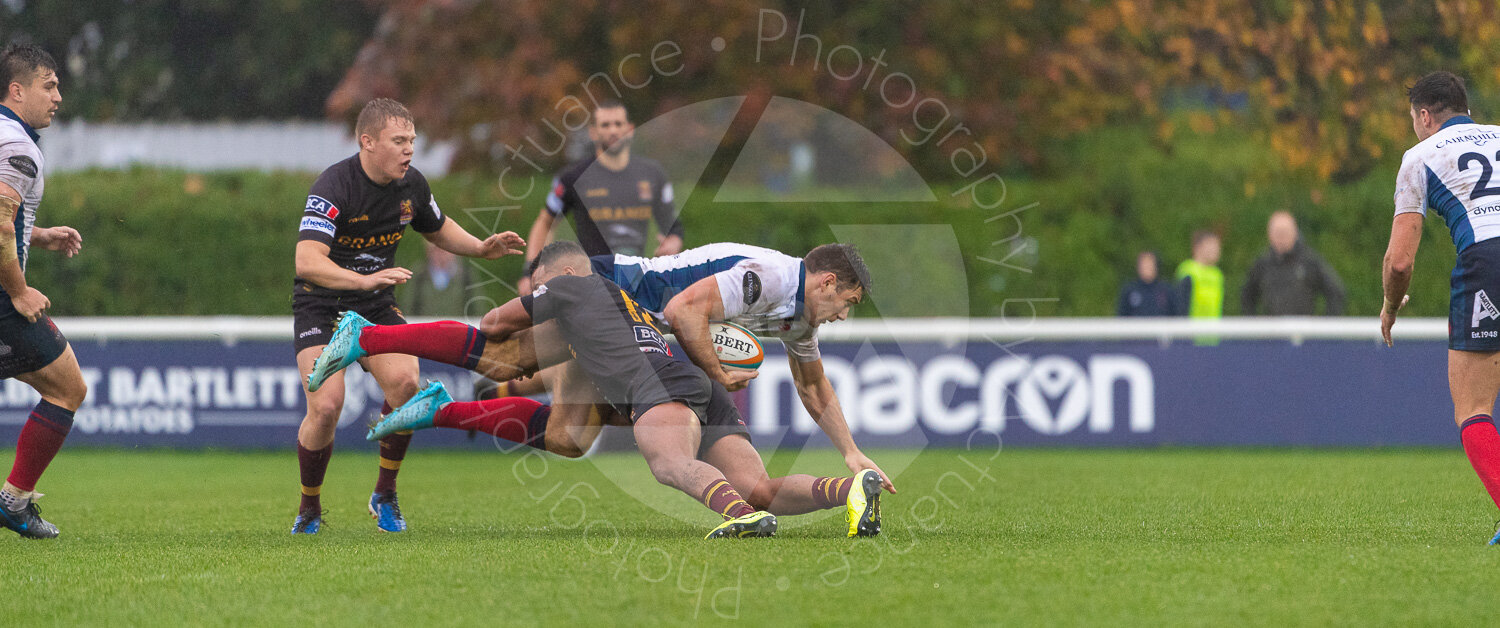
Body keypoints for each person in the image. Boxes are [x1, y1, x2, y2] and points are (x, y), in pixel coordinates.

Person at [325, 241, 884, 539]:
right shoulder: (769, 275)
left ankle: (440, 404)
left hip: (651, 351)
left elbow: (813, 386)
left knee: (570, 434)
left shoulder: (800, 316)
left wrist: (851, 452)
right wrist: (715, 373)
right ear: (828, 281)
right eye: (846, 304)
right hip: (613, 290)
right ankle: (374, 341)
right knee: (505, 356)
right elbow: (681, 311)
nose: (841, 316)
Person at [291, 98, 524, 534]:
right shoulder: (334, 186)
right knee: (326, 407)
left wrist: (480, 247)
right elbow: (306, 261)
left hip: (375, 306)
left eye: (412, 141)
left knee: (406, 385)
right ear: (368, 142)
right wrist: (361, 280)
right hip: (321, 305)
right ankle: (309, 507)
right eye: (399, 141)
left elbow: (438, 225)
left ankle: (384, 494)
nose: (409, 150)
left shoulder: (411, 184)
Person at [1381, 70, 1500, 544]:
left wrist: (1390, 305)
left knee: (1472, 408)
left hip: (1486, 260)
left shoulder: (1420, 156)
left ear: (1425, 116)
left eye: (1414, 118)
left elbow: (1400, 260)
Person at [0, 44, 85, 539]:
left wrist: (39, 232)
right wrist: (19, 290)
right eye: (48, 86)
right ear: (18, 90)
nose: (58, 96)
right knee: (68, 388)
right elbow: (0, 227)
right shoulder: (17, 147)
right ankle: (13, 501)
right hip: (1, 297)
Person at [517, 99, 682, 294]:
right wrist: (530, 272)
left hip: (641, 281)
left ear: (630, 129)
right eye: (605, 125)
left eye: (618, 124)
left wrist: (672, 243)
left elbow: (673, 228)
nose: (613, 130)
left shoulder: (653, 174)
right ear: (593, 131)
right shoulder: (573, 177)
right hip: (589, 283)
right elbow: (545, 222)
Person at [1241, 211, 1346, 316]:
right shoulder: (1262, 264)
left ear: (1294, 232)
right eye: (1277, 232)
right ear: (1269, 234)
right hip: (1272, 331)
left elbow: (1335, 292)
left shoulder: (1309, 261)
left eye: (1284, 232)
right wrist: (1255, 325)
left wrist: (1324, 326)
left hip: (1302, 330)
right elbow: (1247, 295)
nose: (1280, 237)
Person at [403, 241, 475, 316]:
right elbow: (408, 304)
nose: (442, 254)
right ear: (429, 252)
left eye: (446, 250)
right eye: (437, 250)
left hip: (456, 326)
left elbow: (475, 305)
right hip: (426, 326)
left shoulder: (466, 275)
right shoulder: (419, 274)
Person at [1176, 230, 1223, 319]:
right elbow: (1180, 306)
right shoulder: (1188, 271)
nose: (1216, 250)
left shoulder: (1217, 275)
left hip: (1213, 332)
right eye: (1211, 246)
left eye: (1217, 246)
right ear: (1198, 247)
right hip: (1191, 330)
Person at [1117, 251, 1181, 316]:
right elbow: (1121, 316)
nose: (1147, 268)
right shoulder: (1130, 290)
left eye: (1149, 264)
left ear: (1156, 266)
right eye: (1144, 265)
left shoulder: (1166, 290)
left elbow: (1175, 315)